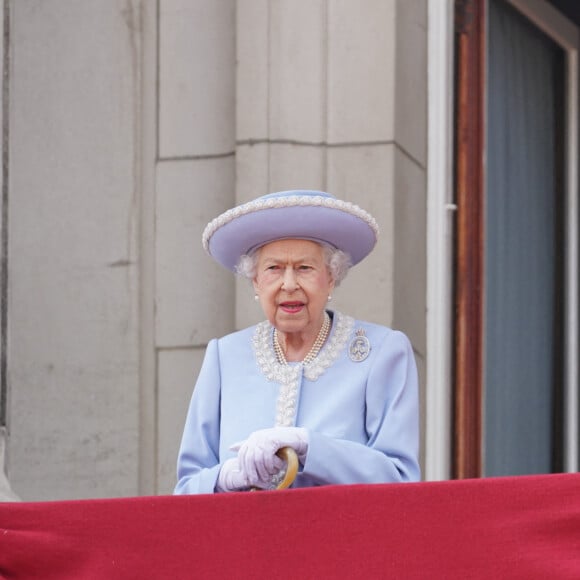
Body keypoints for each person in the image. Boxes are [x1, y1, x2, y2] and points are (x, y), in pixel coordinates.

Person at [174, 189, 420, 494]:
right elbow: (186, 489)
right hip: (243, 539)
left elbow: (400, 479)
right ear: (255, 281)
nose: (289, 284)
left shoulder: (381, 352)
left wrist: (308, 447)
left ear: (331, 278)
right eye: (274, 269)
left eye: (304, 268)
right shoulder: (225, 357)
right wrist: (225, 477)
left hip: (339, 539)